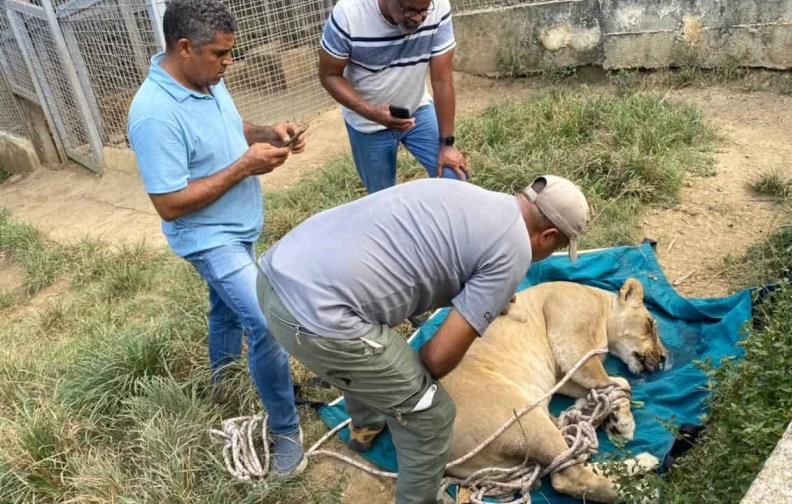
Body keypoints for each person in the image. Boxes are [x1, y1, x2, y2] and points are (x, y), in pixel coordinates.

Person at [257, 175, 590, 502]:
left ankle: (365, 427)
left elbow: (433, 266)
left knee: (375, 345)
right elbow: (436, 357)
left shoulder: (470, 197)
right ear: (547, 237)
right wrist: (413, 393)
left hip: (276, 274)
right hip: (317, 319)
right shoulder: (514, 250)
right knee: (431, 415)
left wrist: (484, 297)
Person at [127, 0, 306, 476]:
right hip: (208, 237)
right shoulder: (153, 114)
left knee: (225, 308)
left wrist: (265, 133)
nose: (230, 62)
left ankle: (224, 389)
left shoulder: (205, 80)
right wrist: (245, 166)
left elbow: (230, 129)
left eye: (232, 52)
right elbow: (168, 203)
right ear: (184, 48)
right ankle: (285, 429)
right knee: (268, 321)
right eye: (220, 54)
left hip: (239, 224)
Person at [318, 0, 469, 193]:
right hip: (367, 124)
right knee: (383, 198)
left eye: (423, 11)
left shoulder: (438, 6)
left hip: (417, 110)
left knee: (454, 178)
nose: (417, 18)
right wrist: (371, 112)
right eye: (409, 10)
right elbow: (329, 75)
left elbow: (442, 80)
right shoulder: (349, 14)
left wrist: (447, 145)